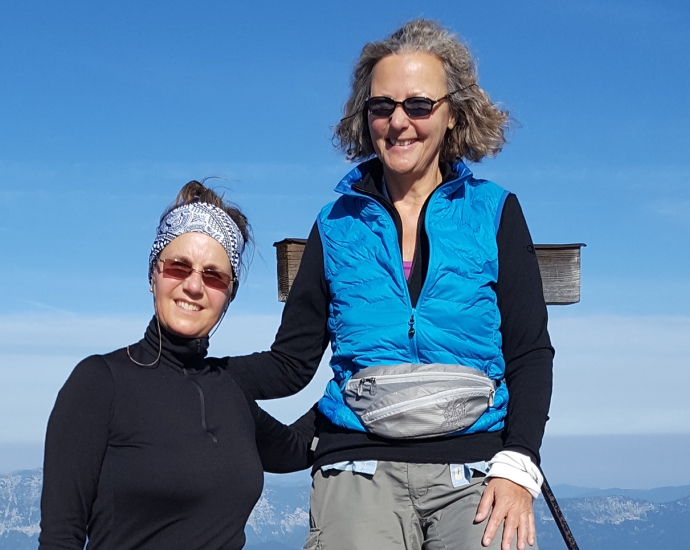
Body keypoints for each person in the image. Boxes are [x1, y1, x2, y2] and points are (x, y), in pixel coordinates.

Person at [223, 20, 553, 550]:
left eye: (419, 105)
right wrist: (205, 374)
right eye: (382, 107)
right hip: (357, 461)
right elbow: (292, 362)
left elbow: (529, 351)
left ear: (452, 114)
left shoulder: (493, 213)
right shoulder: (337, 224)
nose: (399, 123)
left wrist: (518, 464)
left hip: (474, 465)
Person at [38, 181, 311, 550]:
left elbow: (298, 448)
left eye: (214, 275)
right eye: (178, 267)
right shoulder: (101, 383)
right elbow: (61, 537)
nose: (194, 286)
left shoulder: (230, 390)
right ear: (153, 275)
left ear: (228, 294)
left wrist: (361, 375)